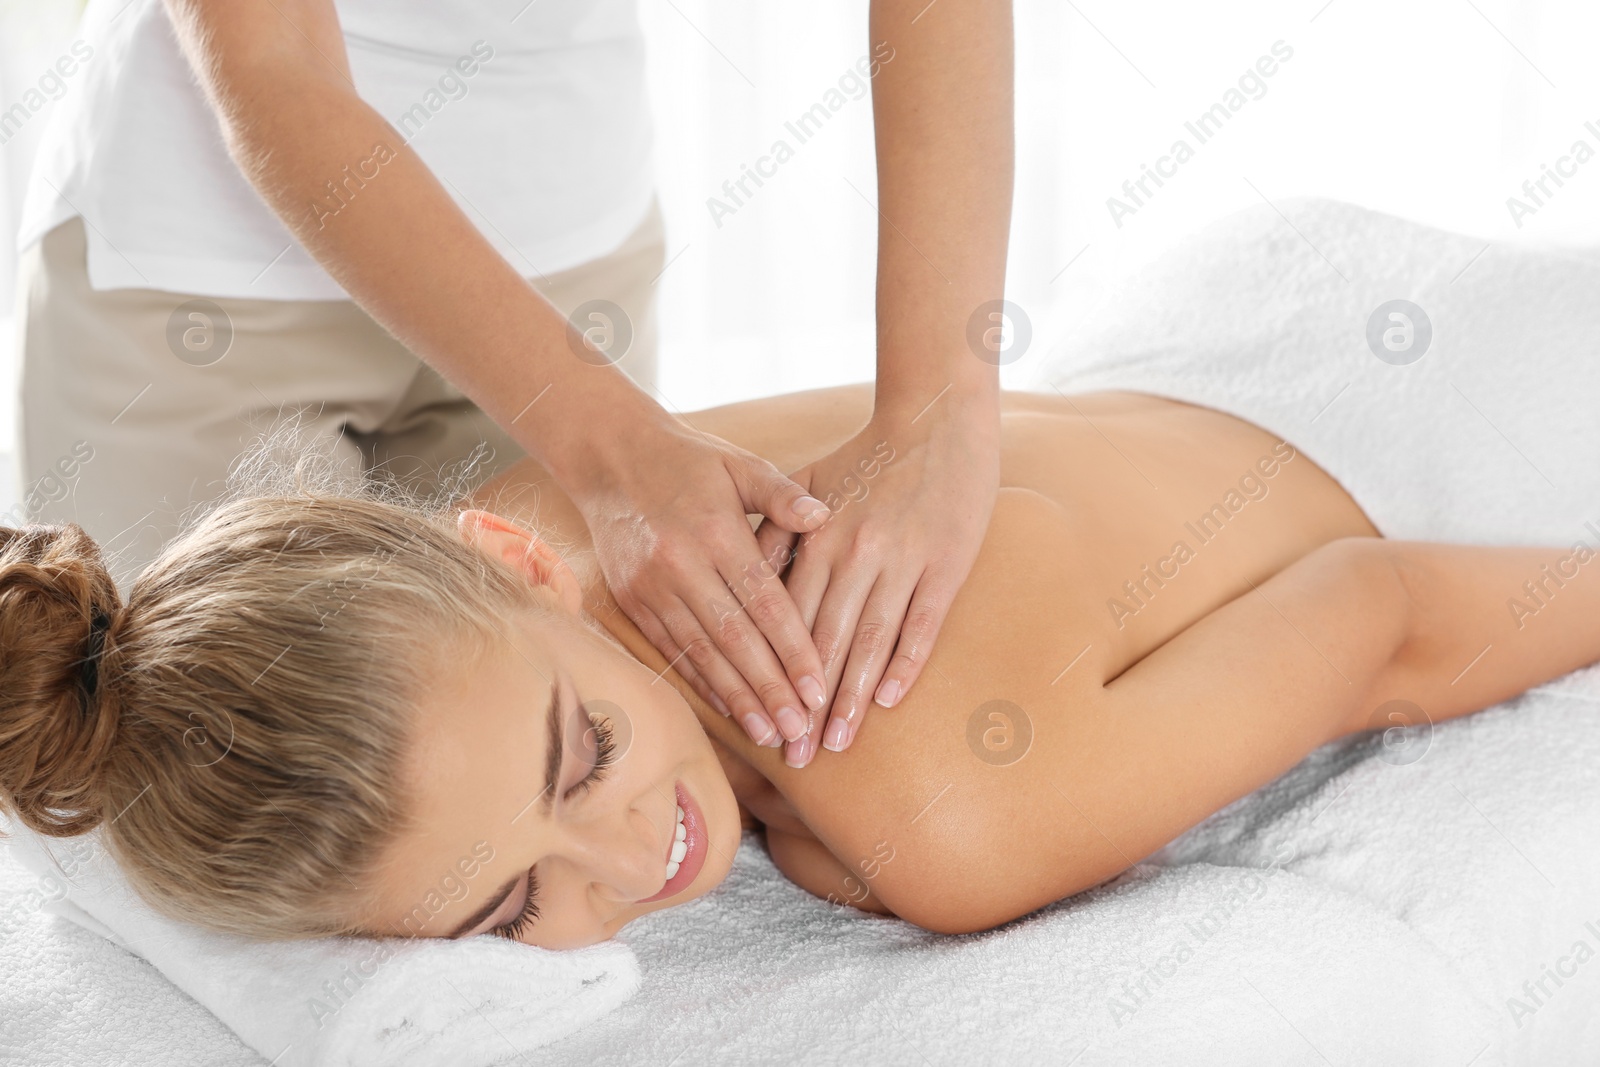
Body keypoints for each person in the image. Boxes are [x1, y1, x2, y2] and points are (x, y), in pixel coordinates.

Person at [3, 380, 1596, 950]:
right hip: (1113, 448)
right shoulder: (532, 532)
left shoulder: (937, 816)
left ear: (511, 563)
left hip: (1264, 504)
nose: (627, 863)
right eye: (509, 905)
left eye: (584, 757)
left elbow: (1378, 614)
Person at [12, 0, 1016, 765]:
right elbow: (275, 69)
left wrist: (941, 405)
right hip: (205, 284)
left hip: (567, 270)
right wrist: (618, 451)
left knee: (533, 760)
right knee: (214, 793)